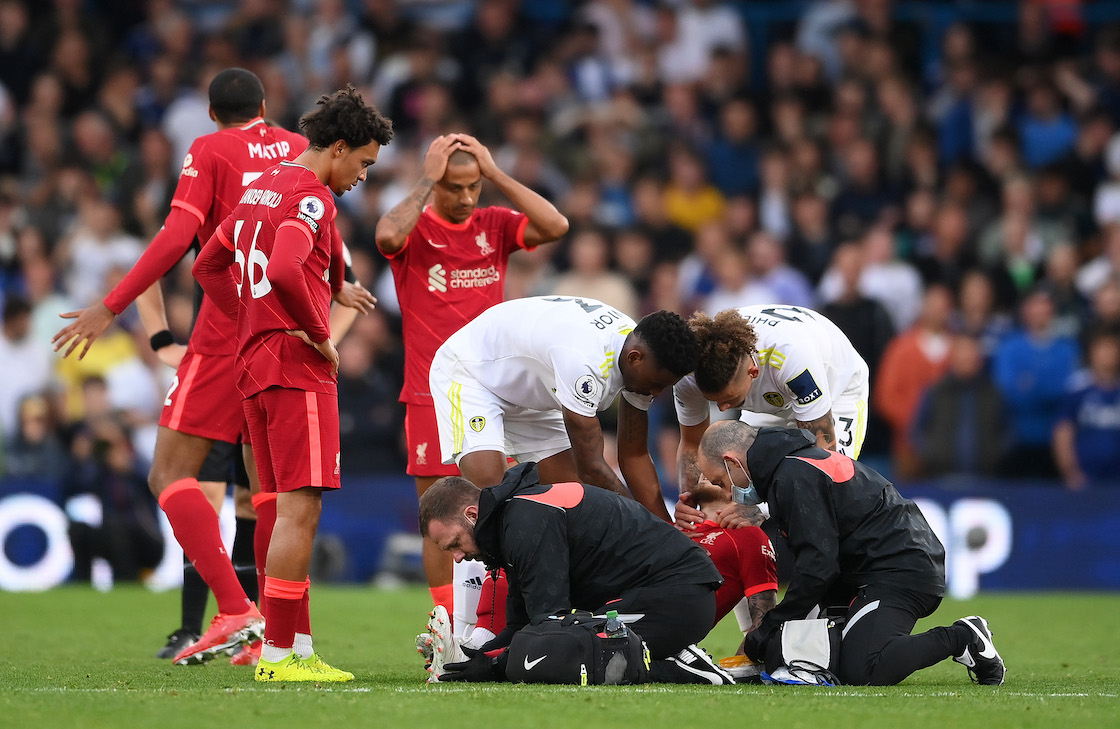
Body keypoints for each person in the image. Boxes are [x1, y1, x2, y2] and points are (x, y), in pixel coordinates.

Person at [50, 68, 336, 665]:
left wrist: (111, 307)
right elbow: (325, 238)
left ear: (210, 114)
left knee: (169, 474)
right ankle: (277, 639)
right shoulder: (298, 148)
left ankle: (235, 609)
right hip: (284, 328)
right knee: (270, 492)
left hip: (227, 328)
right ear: (265, 104)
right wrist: (340, 293)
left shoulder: (209, 149)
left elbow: (180, 235)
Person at [194, 84, 394, 682]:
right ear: (339, 147)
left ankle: (298, 647)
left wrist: (251, 314)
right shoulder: (311, 197)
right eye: (363, 162)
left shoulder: (262, 186)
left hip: (254, 363)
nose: (362, 176)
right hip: (294, 366)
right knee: (299, 508)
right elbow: (283, 267)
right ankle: (279, 654)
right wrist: (318, 333)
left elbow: (208, 263)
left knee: (282, 507)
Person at [373, 132, 567, 622]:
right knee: (437, 515)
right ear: (436, 184)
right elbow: (386, 238)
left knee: (497, 506)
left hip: (491, 394)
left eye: (472, 187)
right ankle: (449, 625)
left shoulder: (494, 224)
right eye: (453, 187)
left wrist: (496, 172)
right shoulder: (415, 228)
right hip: (430, 392)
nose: (465, 198)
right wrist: (425, 179)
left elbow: (556, 225)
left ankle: (496, 617)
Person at [697, 420, 1006, 686]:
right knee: (808, 655)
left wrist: (769, 626)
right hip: (872, 569)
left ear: (732, 461)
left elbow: (818, 567)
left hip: (899, 570)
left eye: (720, 482)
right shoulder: (793, 464)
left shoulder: (792, 476)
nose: (726, 493)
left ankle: (963, 637)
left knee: (865, 668)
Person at [418, 462, 735, 685]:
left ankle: (682, 667)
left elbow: (549, 624)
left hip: (676, 597)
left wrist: (491, 666)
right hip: (663, 593)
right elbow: (520, 624)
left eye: (455, 543)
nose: (457, 557)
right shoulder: (513, 519)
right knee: (547, 646)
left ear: (472, 515)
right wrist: (468, 658)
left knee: (559, 653)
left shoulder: (525, 522)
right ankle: (662, 654)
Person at [428, 295, 697, 522]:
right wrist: (646, 526)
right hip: (472, 371)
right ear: (634, 358)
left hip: (535, 388)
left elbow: (634, 455)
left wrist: (665, 529)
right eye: (657, 384)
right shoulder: (585, 363)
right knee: (493, 495)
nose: (656, 393)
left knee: (573, 504)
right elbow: (591, 468)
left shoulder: (642, 353)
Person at [674, 304, 869, 529]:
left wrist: (766, 514)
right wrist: (688, 501)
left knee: (832, 490)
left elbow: (821, 462)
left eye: (730, 399)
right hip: (773, 394)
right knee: (735, 491)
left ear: (753, 372)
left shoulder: (793, 359)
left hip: (836, 387)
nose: (723, 408)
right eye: (713, 400)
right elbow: (692, 443)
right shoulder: (688, 376)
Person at [1053, 328, 1120, 489]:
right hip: (1084, 478)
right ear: (1092, 353)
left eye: (1112, 348)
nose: (1107, 354)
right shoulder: (1077, 388)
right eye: (1102, 348)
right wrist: (1070, 472)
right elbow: (1063, 431)